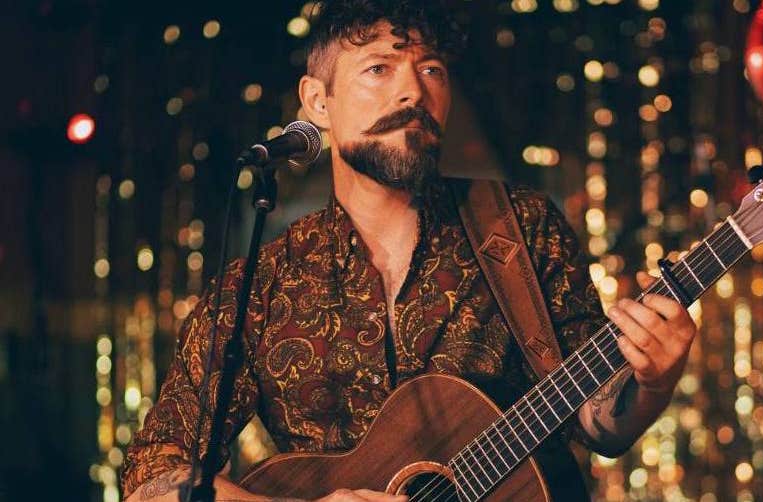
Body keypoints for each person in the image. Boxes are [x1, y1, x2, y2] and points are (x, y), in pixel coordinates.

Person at [122, 1, 698, 501]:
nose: (413, 90)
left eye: (432, 69)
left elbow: (597, 421)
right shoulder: (263, 284)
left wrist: (653, 382)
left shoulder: (522, 229)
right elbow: (151, 475)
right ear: (317, 103)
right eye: (379, 67)